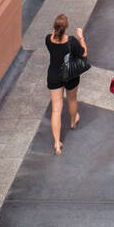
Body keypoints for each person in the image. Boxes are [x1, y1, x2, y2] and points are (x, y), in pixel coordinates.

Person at [46, 13, 87, 154]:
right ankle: (73, 121)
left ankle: (57, 143)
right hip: (70, 75)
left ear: (54, 27)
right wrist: (81, 36)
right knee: (72, 99)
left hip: (54, 76)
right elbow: (84, 53)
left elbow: (53, 37)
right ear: (66, 28)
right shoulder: (71, 41)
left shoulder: (48, 40)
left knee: (56, 109)